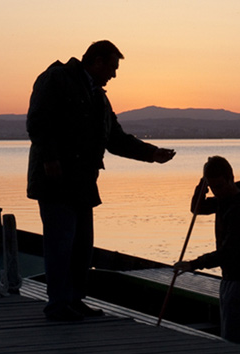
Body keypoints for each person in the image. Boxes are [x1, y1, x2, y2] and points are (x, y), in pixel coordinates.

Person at [27, 40, 176, 321]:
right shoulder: (56, 78)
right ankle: (58, 305)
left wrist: (152, 153)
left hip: (83, 183)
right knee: (60, 244)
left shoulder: (99, 98)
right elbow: (38, 121)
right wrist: (50, 159)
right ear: (96, 61)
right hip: (55, 182)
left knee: (81, 246)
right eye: (112, 66)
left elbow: (116, 139)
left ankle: (75, 300)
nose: (114, 74)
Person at [173, 156, 240, 346]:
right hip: (230, 277)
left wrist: (194, 264)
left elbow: (229, 252)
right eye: (213, 187)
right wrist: (202, 187)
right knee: (230, 334)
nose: (217, 191)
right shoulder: (225, 199)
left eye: (220, 186)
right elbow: (197, 208)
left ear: (231, 178)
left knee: (237, 339)